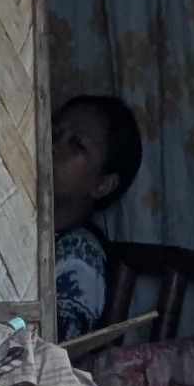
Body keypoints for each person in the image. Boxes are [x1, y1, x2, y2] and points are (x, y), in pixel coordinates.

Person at [52, 95, 142, 341]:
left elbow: (53, 345)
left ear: (103, 184)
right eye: (54, 132)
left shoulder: (80, 255)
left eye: (77, 144)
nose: (55, 145)